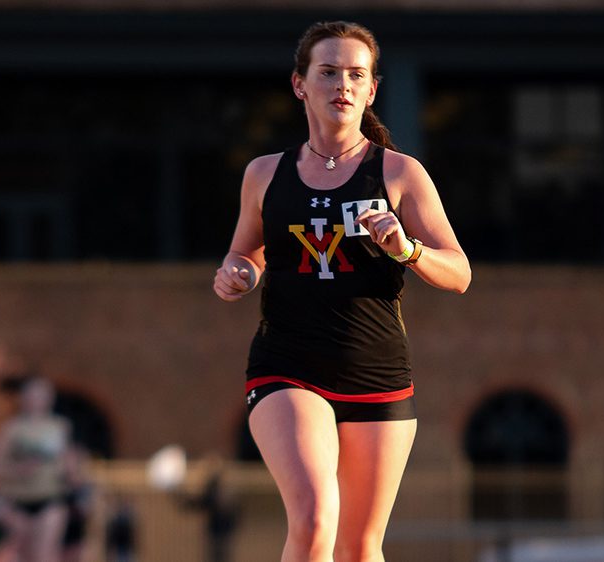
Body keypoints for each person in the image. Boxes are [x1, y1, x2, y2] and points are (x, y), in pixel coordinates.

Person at [213, 21, 471, 562]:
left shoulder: (399, 173)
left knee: (359, 548)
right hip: (287, 366)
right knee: (313, 519)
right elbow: (246, 253)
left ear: (372, 89)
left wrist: (408, 250)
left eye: (356, 75)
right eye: (327, 72)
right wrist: (236, 273)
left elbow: (459, 272)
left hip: (376, 374)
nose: (342, 86)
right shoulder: (264, 174)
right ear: (300, 84)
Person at [0, 377, 85, 562]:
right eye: (33, 396)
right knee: (21, 554)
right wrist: (17, 469)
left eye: (42, 396)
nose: (37, 400)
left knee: (44, 554)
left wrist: (72, 470)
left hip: (50, 499)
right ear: (24, 399)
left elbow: (73, 468)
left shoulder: (60, 427)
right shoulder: (12, 428)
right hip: (17, 501)